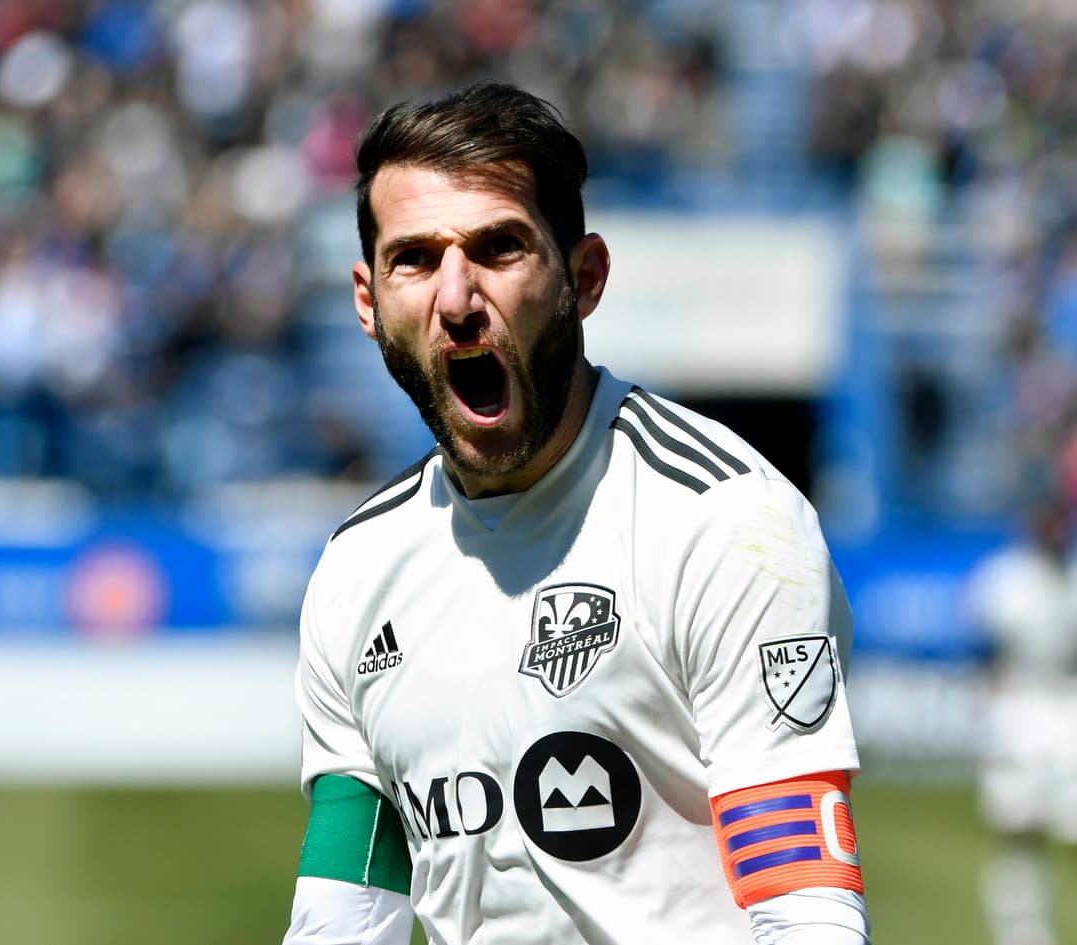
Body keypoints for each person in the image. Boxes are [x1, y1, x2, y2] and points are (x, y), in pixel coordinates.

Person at [283, 81, 869, 945]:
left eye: (498, 247)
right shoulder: (357, 570)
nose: (455, 298)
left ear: (583, 278)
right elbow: (345, 915)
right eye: (416, 259)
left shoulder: (724, 522)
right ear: (369, 302)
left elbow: (804, 909)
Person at [965, 497, 1077, 945]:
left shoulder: (1071, 580)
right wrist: (992, 712)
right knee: (1017, 823)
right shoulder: (1004, 579)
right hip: (1019, 707)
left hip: (1068, 705)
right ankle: (1022, 930)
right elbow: (983, 649)